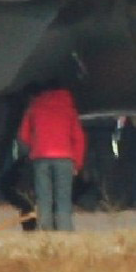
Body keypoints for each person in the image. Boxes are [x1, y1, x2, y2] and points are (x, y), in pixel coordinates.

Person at [17, 83, 86, 231]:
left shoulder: (34, 108)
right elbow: (79, 139)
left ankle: (45, 232)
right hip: (65, 158)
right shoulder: (69, 110)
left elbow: (23, 136)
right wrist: (77, 164)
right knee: (63, 199)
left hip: (41, 157)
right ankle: (64, 232)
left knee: (44, 198)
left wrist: (34, 148)